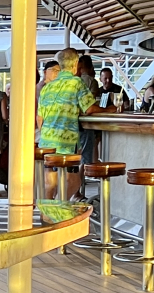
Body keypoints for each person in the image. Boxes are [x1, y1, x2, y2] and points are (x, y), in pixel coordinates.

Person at [36, 47, 112, 200]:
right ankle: (59, 207)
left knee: (50, 182)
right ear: (76, 63)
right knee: (74, 181)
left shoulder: (47, 87)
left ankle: (47, 214)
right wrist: (109, 109)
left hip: (46, 143)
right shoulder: (76, 83)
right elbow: (89, 109)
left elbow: (40, 118)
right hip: (66, 144)